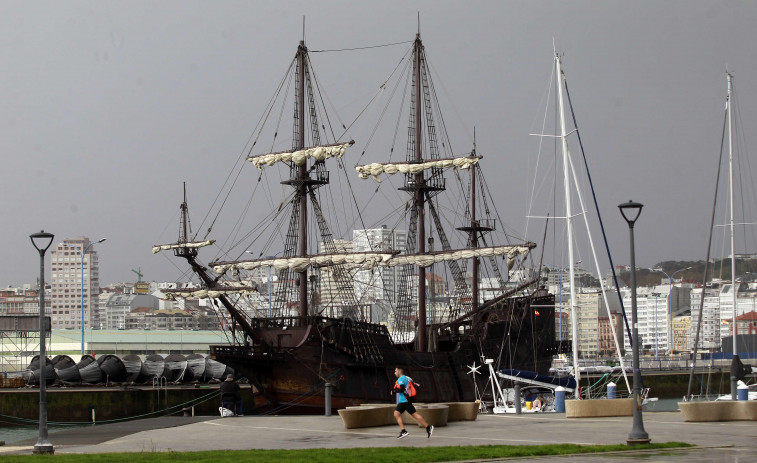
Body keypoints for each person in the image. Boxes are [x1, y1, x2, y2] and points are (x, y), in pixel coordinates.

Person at [392, 367, 433, 439]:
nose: (394, 373)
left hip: (405, 401)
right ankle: (403, 431)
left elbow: (401, 389)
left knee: (414, 414)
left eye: (395, 371)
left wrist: (394, 391)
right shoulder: (407, 378)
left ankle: (428, 427)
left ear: (399, 371)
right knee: (396, 413)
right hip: (404, 400)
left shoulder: (401, 379)